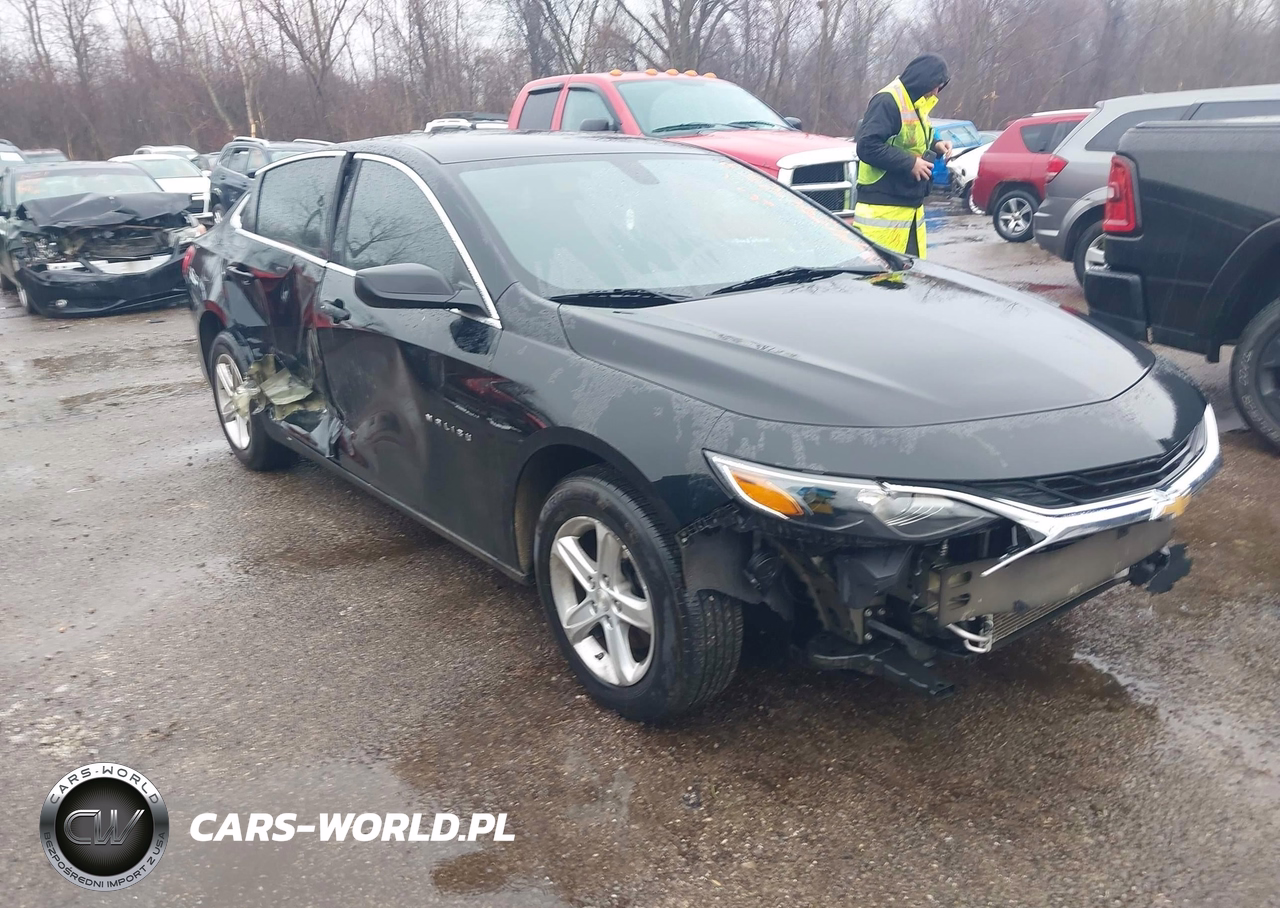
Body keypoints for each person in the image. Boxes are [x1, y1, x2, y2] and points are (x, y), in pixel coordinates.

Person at [853, 54, 953, 258]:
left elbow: (912, 139)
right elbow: (867, 146)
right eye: (935, 85)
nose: (935, 91)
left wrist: (937, 144)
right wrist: (910, 163)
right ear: (922, 79)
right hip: (884, 207)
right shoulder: (888, 100)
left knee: (909, 280)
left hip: (909, 208)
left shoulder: (916, 103)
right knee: (881, 281)